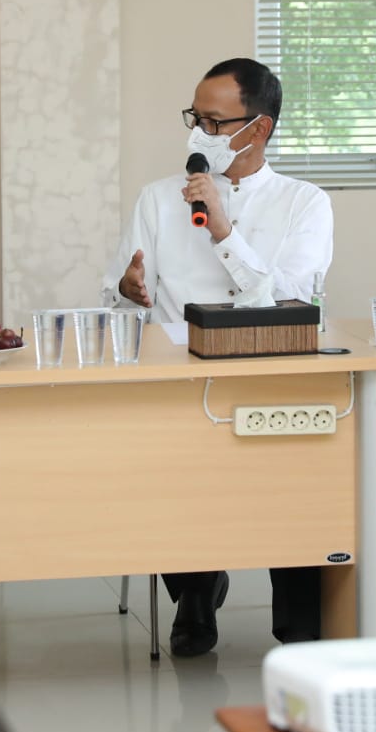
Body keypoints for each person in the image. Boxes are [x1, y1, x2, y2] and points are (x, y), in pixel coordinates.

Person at [104, 57, 333, 657]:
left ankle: (300, 624)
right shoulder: (157, 199)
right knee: (161, 466)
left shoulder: (305, 203)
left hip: (271, 378)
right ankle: (195, 591)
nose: (197, 134)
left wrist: (225, 232)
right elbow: (121, 299)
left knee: (303, 475)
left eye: (213, 121)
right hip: (176, 384)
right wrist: (127, 291)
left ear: (258, 129)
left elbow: (286, 299)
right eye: (194, 118)